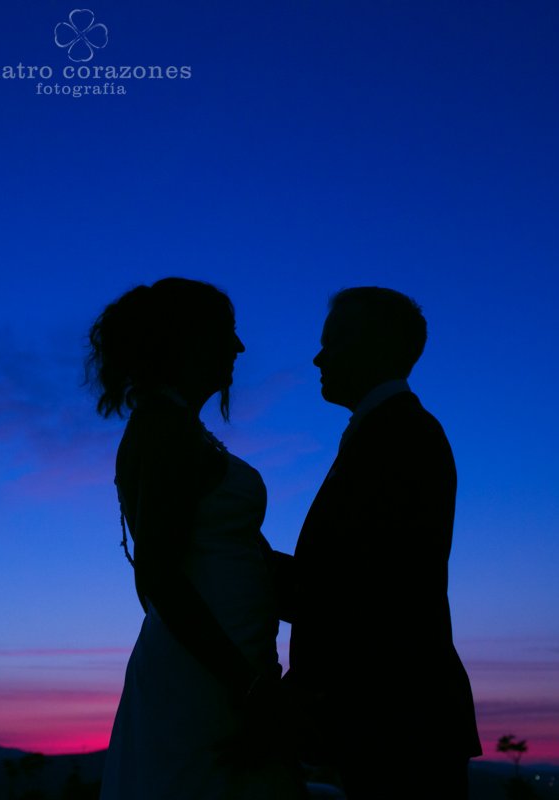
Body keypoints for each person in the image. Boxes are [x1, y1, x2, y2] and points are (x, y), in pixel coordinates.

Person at [88, 278, 298, 799]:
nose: (239, 347)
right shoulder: (164, 429)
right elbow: (159, 573)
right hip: (208, 670)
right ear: (187, 339)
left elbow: (237, 552)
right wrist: (244, 685)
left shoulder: (179, 427)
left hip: (229, 656)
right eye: (227, 332)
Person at [275, 287, 482, 798]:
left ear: (382, 347)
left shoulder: (405, 436)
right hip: (391, 716)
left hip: (398, 716)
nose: (320, 357)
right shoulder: (386, 433)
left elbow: (374, 588)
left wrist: (238, 560)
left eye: (336, 341)